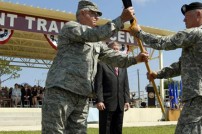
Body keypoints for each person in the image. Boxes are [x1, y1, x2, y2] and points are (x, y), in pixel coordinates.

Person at [42, 0, 148, 134]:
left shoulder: (96, 42)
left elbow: (113, 57)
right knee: (54, 131)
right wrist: (121, 19)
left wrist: (135, 59)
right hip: (61, 91)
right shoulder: (71, 27)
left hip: (82, 95)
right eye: (93, 14)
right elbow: (93, 34)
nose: (97, 17)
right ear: (82, 12)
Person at [130, 2, 202, 134]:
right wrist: (158, 74)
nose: (183, 19)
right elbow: (181, 66)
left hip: (201, 97)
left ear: (198, 14)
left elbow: (163, 42)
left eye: (187, 16)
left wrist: (139, 33)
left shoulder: (198, 33)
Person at [94, 41, 130, 134]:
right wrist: (99, 100)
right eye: (114, 49)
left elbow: (126, 85)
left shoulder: (123, 66)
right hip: (106, 104)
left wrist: (127, 100)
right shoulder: (101, 64)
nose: (116, 51)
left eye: (117, 49)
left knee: (118, 129)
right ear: (108, 50)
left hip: (120, 104)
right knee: (105, 129)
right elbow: (98, 83)